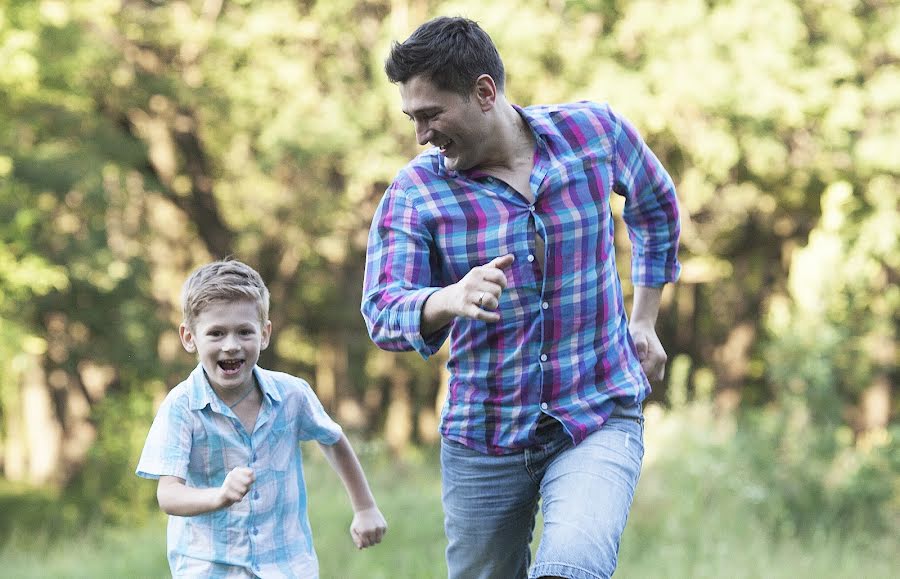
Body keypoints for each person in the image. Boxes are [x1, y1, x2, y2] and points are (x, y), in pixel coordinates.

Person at [361, 15, 680, 579]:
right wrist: (447, 298)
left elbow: (654, 204)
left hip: (597, 412)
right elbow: (383, 309)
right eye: (412, 118)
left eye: (432, 115)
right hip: (485, 434)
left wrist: (645, 318)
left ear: (484, 92)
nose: (422, 134)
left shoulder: (593, 134)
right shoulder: (417, 193)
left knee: (572, 565)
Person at [137, 259, 386, 578]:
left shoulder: (292, 395)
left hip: (285, 564)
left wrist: (365, 507)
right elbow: (169, 495)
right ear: (189, 337)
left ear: (265, 333)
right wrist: (220, 495)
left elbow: (333, 440)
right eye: (216, 333)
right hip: (209, 566)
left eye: (244, 332)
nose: (231, 345)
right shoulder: (181, 407)